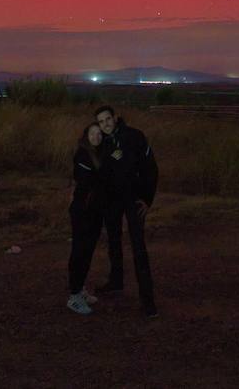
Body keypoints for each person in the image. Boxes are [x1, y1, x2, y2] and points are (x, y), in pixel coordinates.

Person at [94, 104, 159, 317]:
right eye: (101, 122)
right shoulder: (101, 143)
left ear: (115, 117)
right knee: (113, 240)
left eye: (107, 119)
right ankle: (116, 281)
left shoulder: (134, 137)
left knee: (138, 247)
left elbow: (150, 169)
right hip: (112, 202)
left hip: (133, 200)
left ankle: (148, 301)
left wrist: (147, 199)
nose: (105, 125)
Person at [66, 123, 106, 315]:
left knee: (88, 251)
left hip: (95, 211)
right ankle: (74, 296)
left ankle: (80, 288)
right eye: (93, 133)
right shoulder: (83, 155)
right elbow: (90, 181)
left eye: (99, 134)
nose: (96, 136)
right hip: (82, 211)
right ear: (86, 135)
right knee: (80, 251)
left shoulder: (100, 155)